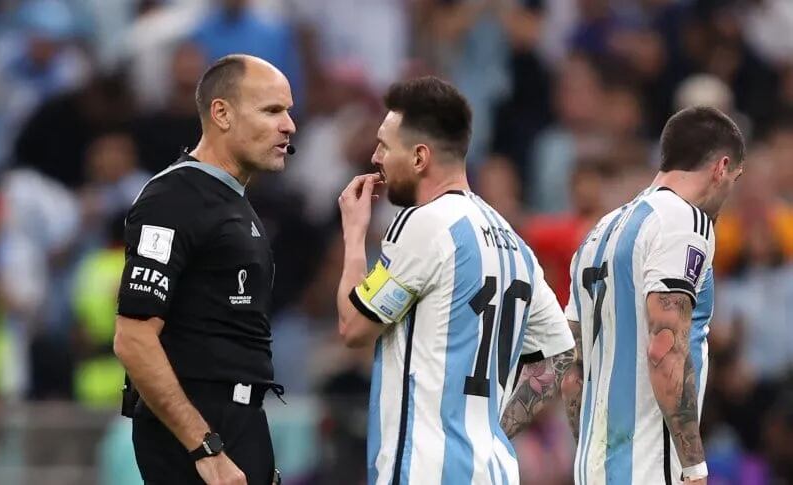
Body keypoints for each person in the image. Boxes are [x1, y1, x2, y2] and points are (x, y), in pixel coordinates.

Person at [335, 76, 576, 484]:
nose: (375, 156)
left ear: (419, 157)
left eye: (384, 145)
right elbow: (559, 355)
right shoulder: (514, 243)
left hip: (426, 470)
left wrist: (354, 237)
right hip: (494, 470)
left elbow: (354, 327)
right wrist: (492, 428)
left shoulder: (423, 224)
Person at [113, 54, 295, 485]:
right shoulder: (174, 197)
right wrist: (205, 447)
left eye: (288, 111)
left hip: (237, 423)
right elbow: (133, 338)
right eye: (272, 110)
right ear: (221, 113)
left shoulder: (233, 201)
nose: (289, 125)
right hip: (199, 436)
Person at [563, 106, 746, 485]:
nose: (730, 191)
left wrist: (593, 453)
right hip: (651, 467)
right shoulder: (685, 220)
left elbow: (571, 371)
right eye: (735, 178)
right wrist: (694, 468)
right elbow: (665, 350)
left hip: (590, 469)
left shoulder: (600, 231)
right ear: (721, 167)